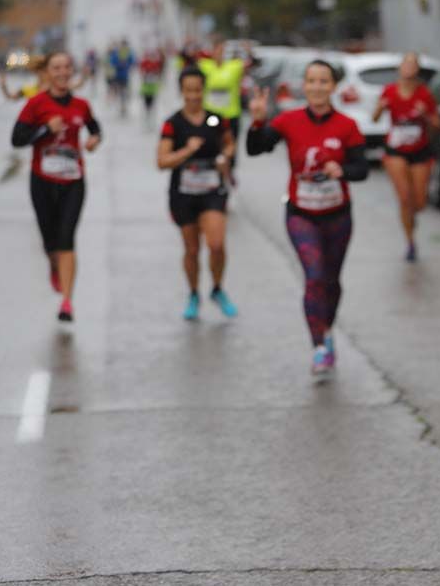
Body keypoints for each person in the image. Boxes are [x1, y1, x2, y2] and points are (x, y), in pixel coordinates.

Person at [246, 60, 368, 381]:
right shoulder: (289, 120)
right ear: (304, 85)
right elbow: (256, 150)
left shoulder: (347, 126)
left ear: (333, 86)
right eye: (311, 81)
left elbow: (363, 169)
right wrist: (257, 122)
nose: (316, 87)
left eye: (323, 81)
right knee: (314, 276)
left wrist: (342, 171)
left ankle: (326, 328)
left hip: (338, 215)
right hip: (301, 214)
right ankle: (319, 347)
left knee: (331, 281)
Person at [11, 51, 103, 322]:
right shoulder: (36, 104)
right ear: (48, 73)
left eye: (66, 67)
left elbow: (96, 129)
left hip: (73, 181)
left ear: (71, 71)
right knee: (50, 241)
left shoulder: (81, 105)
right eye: (57, 67)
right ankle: (54, 264)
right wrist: (44, 131)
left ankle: (66, 302)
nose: (63, 72)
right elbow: (17, 139)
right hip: (42, 181)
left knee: (67, 238)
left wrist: (94, 140)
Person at [157, 67, 238, 320]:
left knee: (216, 244)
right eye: (188, 90)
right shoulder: (173, 124)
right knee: (192, 249)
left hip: (212, 189)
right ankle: (193, 293)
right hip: (183, 193)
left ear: (204, 90)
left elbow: (229, 142)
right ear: (181, 91)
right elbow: (161, 161)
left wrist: (225, 156)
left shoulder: (215, 119)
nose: (193, 95)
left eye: (197, 90)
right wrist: (186, 151)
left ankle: (217, 288)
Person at [371, 52, 440, 261]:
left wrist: (425, 115)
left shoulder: (424, 94)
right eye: (406, 64)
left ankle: (411, 217)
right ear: (400, 68)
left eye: (413, 64)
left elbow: (438, 124)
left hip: (420, 150)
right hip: (396, 151)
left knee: (419, 202)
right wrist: (380, 108)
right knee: (404, 198)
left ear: (417, 70)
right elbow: (374, 119)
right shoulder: (389, 91)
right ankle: (410, 242)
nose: (409, 68)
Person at [198, 38, 245, 181]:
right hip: (211, 116)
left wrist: (244, 49)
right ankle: (214, 172)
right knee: (212, 146)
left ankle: (229, 171)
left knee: (231, 147)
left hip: (230, 115)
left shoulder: (234, 66)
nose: (219, 53)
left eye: (222, 51)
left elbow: (249, 62)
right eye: (217, 50)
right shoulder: (204, 66)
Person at [108, 39, 136, 117]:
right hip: (118, 75)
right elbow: (112, 61)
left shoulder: (128, 52)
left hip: (125, 76)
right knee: (119, 91)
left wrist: (127, 64)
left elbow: (133, 61)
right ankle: (120, 106)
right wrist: (119, 64)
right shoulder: (117, 52)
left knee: (123, 91)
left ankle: (123, 106)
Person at [140, 49, 164, 126]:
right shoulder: (145, 62)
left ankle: (151, 120)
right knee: (146, 104)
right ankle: (147, 119)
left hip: (153, 87)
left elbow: (159, 72)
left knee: (153, 103)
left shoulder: (156, 63)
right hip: (146, 87)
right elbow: (141, 71)